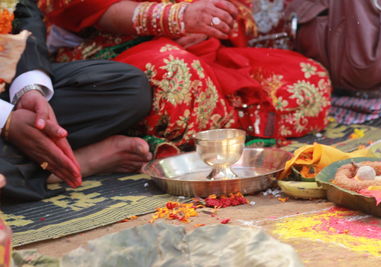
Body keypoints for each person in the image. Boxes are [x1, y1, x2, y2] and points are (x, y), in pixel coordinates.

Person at [39, 0, 332, 155]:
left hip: (204, 51)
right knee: (176, 74)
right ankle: (120, 144)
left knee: (309, 80)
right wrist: (175, 18)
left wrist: (212, 21)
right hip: (117, 55)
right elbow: (84, 7)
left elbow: (239, 9)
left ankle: (204, 129)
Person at [0, 0, 153, 202]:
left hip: (7, 82)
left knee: (128, 87)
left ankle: (40, 160)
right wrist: (6, 120)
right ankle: (72, 164)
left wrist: (30, 91)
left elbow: (22, 12)